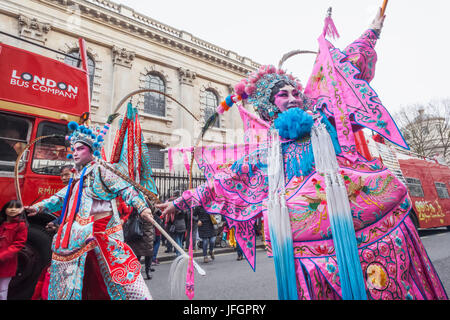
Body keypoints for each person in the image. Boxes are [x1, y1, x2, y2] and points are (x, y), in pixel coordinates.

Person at [156, 8, 448, 300]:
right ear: (270, 107)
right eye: (283, 95)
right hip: (309, 250)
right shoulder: (267, 154)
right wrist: (179, 203)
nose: (293, 98)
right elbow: (223, 181)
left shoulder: (327, 117)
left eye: (295, 92)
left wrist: (373, 29)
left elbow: (345, 65)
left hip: (367, 230)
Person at [25, 121, 155, 300]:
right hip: (77, 236)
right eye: (74, 149)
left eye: (80, 149)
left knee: (123, 282)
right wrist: (38, 207)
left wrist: (142, 208)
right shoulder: (77, 176)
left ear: (91, 150)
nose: (75, 153)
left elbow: (125, 189)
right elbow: (61, 198)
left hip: (103, 235)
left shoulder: (102, 170)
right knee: (74, 280)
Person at [0, 200, 28, 300]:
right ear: (5, 209)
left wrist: (3, 256)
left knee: (2, 289)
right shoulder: (1, 223)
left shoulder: (21, 225)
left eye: (16, 207)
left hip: (7, 263)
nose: (13, 209)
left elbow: (18, 244)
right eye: (10, 207)